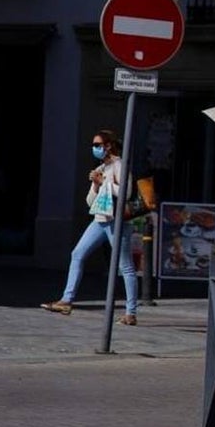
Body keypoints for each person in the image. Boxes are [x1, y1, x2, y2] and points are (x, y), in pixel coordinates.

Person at [42, 129, 140, 325]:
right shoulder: (102, 167)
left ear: (108, 145)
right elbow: (89, 201)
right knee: (77, 253)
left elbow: (126, 192)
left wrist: (103, 182)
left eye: (97, 145)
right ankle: (66, 300)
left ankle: (131, 312)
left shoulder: (120, 165)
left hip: (117, 220)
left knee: (125, 266)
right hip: (100, 219)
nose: (94, 148)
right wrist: (95, 185)